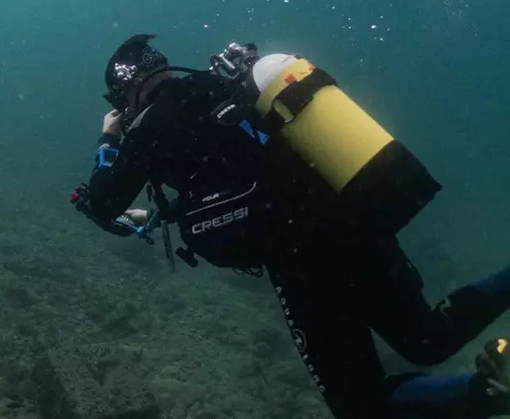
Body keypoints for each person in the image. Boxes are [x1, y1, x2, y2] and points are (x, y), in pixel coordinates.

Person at [71, 34, 510, 419]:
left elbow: (105, 200)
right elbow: (237, 174)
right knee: (427, 337)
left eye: (117, 103)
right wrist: (163, 215)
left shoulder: (150, 126)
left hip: (302, 262)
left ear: (127, 90)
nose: (120, 111)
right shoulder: (221, 89)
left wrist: (108, 139)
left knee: (363, 405)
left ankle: (489, 394)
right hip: (352, 222)